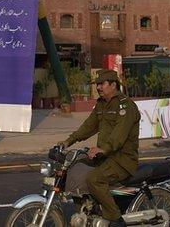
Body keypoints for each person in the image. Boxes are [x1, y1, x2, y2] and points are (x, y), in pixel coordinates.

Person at [59, 70, 140, 227]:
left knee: (94, 179)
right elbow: (89, 126)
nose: (98, 87)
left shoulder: (126, 106)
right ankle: (87, 213)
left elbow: (119, 135)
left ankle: (115, 219)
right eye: (97, 84)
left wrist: (103, 149)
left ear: (113, 84)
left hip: (122, 160)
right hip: (104, 157)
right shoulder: (102, 104)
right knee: (75, 170)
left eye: (102, 84)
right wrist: (69, 141)